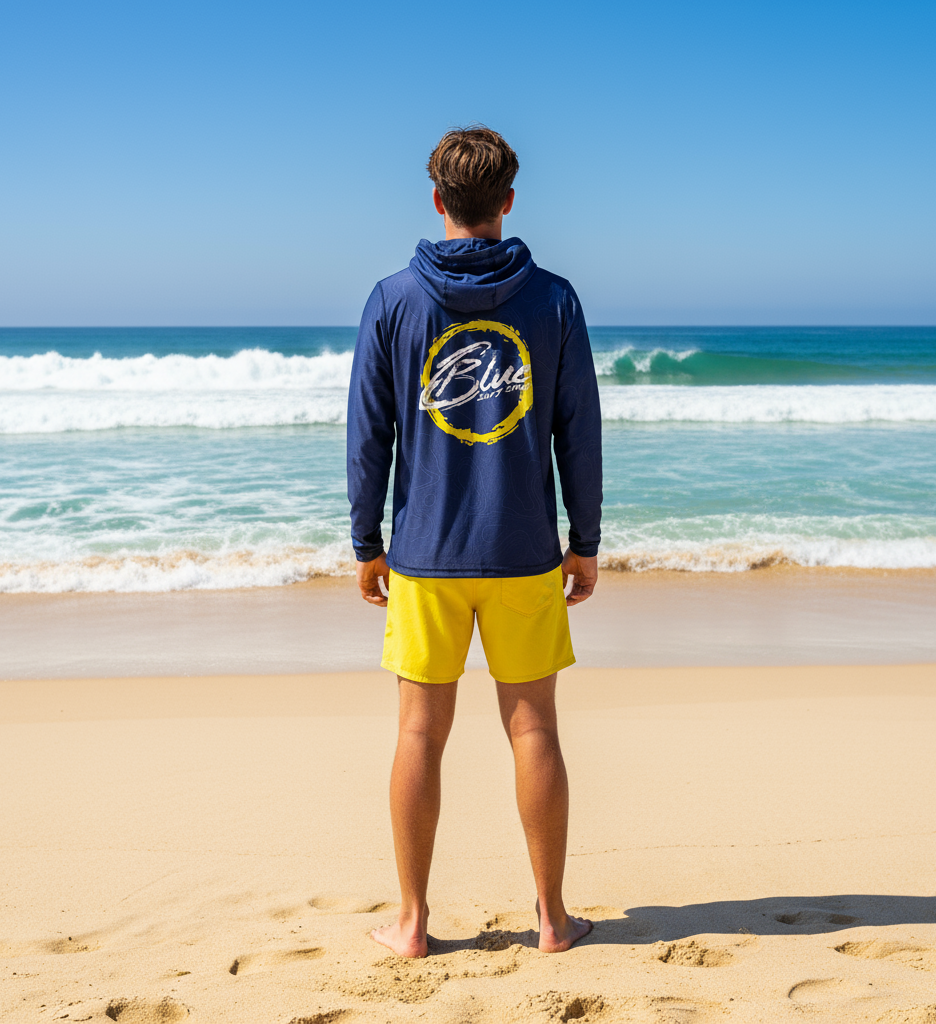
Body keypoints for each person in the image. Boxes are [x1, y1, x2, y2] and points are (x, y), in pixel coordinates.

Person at [346, 125, 602, 959]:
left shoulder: (393, 299)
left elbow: (368, 435)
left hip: (424, 557)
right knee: (535, 732)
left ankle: (413, 924)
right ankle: (553, 920)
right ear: (508, 202)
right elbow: (579, 430)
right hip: (526, 549)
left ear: (437, 201)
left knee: (420, 733)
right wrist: (585, 539)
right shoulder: (554, 299)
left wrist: (366, 542)